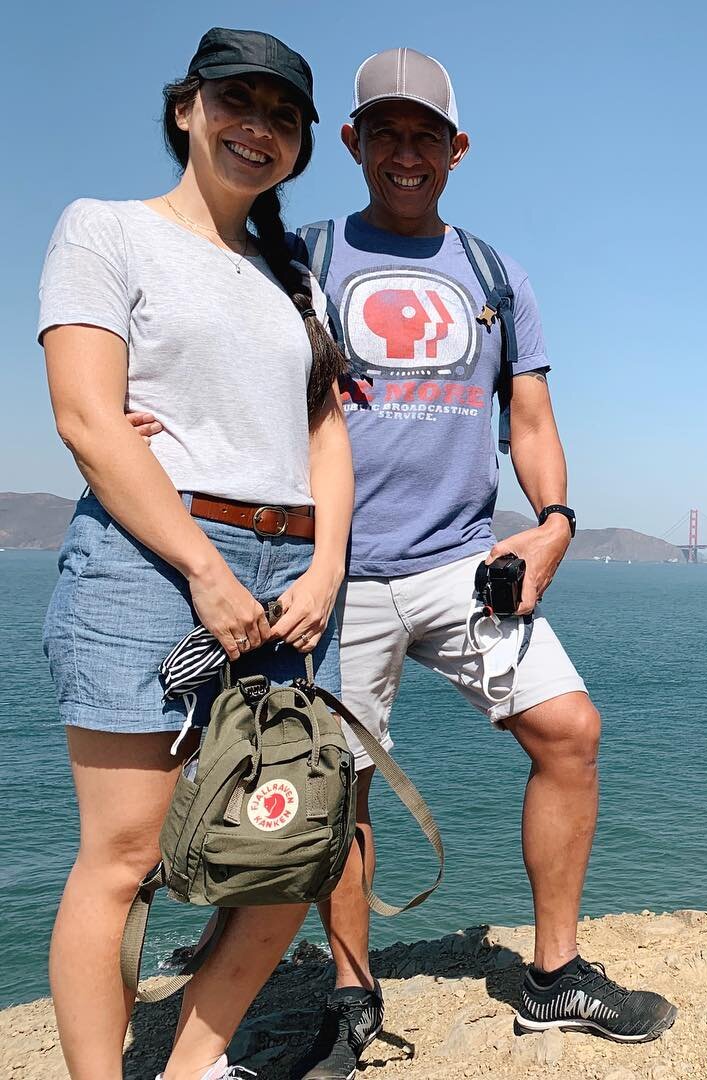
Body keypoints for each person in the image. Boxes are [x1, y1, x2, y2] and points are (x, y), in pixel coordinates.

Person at [285, 47, 678, 1079]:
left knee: (570, 732)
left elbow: (532, 418)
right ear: (352, 144)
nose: (405, 153)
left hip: (465, 563)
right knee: (342, 791)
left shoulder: (496, 273)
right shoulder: (305, 260)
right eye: (385, 133)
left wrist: (553, 520)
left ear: (457, 150)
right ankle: (351, 995)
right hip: (339, 573)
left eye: (425, 136)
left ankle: (554, 977)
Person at [38, 28, 353, 1080]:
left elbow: (326, 437)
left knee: (287, 855)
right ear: (187, 109)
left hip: (294, 576)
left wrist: (324, 571)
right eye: (236, 102)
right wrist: (204, 571)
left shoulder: (294, 273)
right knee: (124, 860)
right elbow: (85, 417)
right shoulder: (106, 230)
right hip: (154, 559)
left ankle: (193, 1067)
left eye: (282, 115)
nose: (257, 127)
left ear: (302, 144)